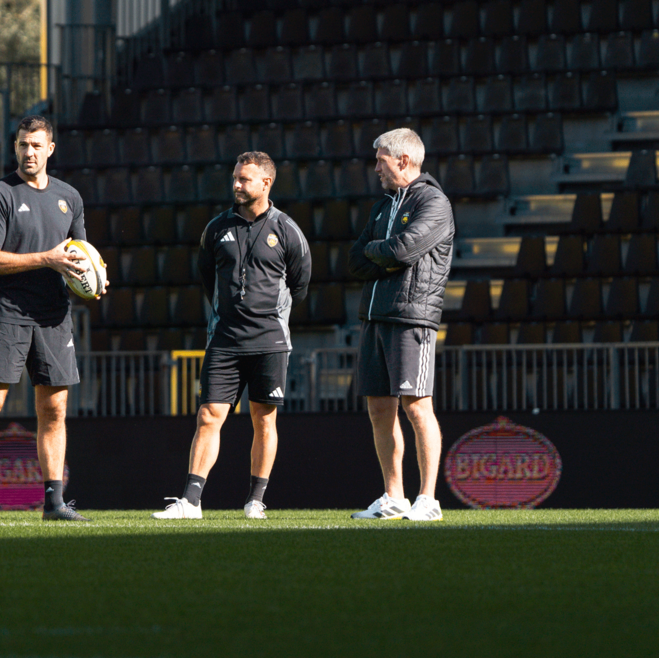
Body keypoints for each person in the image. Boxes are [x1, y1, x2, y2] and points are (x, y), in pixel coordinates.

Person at [0, 115, 104, 522]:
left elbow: (79, 255)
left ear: (50, 148)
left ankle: (54, 503)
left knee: (54, 410)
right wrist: (47, 258)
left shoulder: (69, 197)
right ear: (15, 147)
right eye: (23, 144)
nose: (29, 152)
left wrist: (92, 281)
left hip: (54, 315)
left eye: (37, 145)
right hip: (8, 313)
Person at [153, 152, 311, 520]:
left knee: (264, 419)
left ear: (266, 183)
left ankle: (256, 500)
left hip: (270, 340)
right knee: (208, 415)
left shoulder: (287, 229)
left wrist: (271, 315)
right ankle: (191, 501)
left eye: (245, 179)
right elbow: (207, 278)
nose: (237, 184)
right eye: (236, 178)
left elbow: (300, 284)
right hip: (224, 339)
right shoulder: (216, 228)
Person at [348, 128, 454, 521]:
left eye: (380, 160)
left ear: (403, 161)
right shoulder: (382, 207)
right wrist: (384, 255)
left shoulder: (435, 203)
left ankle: (428, 499)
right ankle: (394, 497)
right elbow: (355, 260)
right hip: (375, 317)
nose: (375, 167)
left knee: (416, 406)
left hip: (412, 318)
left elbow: (404, 250)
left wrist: (381, 252)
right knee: (379, 409)